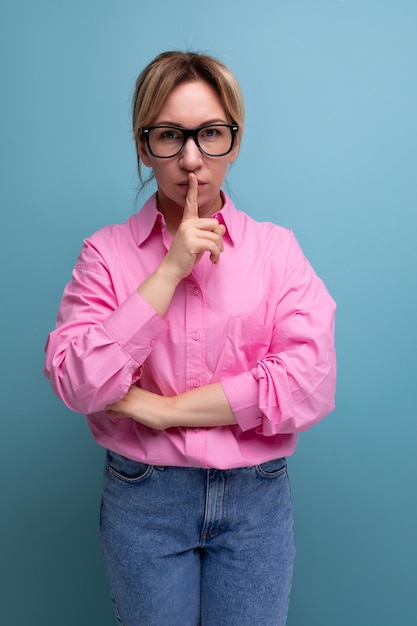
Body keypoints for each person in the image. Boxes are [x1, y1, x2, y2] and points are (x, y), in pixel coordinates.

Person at [44, 50, 336, 626]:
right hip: (143, 497)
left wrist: (165, 411)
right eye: (170, 136)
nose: (192, 159)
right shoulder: (105, 253)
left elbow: (309, 383)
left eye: (210, 134)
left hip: (256, 497)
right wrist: (169, 270)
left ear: (235, 137)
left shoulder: (276, 250)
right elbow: (77, 382)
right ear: (142, 144)